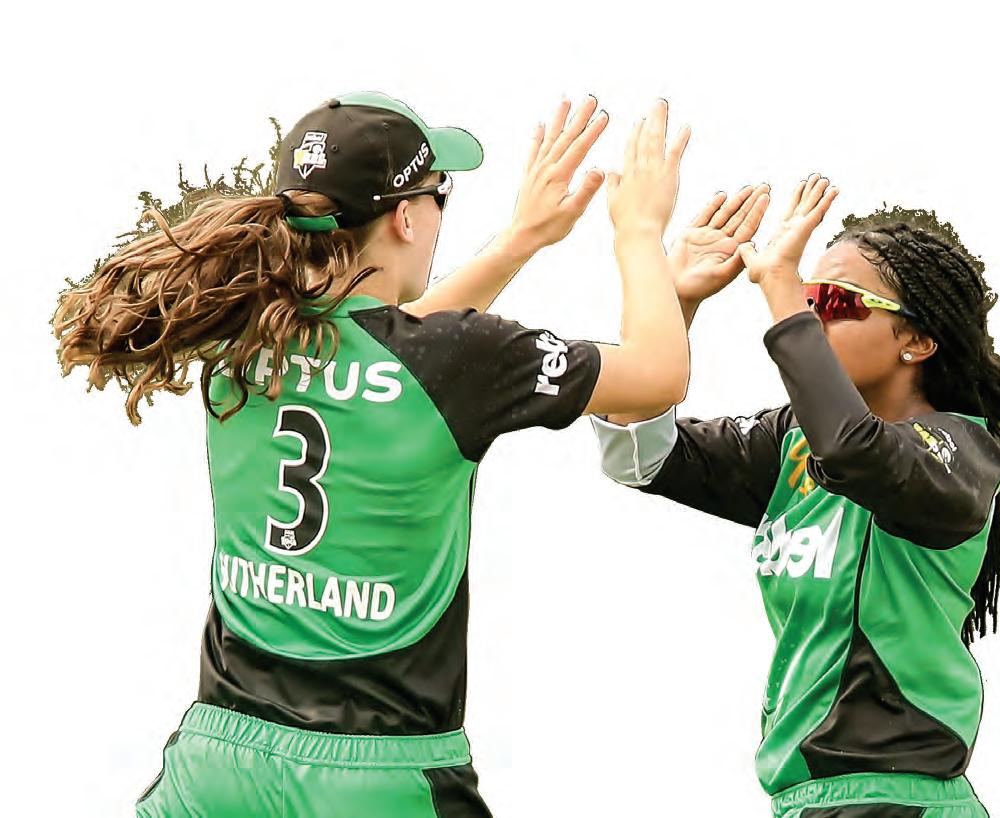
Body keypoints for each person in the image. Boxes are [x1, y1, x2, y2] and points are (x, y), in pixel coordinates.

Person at [53, 91, 707, 818]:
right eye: (439, 194)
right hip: (379, 781)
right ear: (404, 217)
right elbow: (658, 374)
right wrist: (638, 232)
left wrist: (520, 241)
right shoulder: (458, 360)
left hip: (213, 768)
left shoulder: (245, 331)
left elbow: (386, 344)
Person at [593, 176, 1000, 817]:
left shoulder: (963, 452)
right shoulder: (792, 444)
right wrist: (672, 304)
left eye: (834, 300)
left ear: (917, 341)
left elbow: (856, 451)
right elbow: (638, 454)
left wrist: (780, 294)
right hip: (802, 802)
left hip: (899, 802)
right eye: (807, 296)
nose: (811, 312)